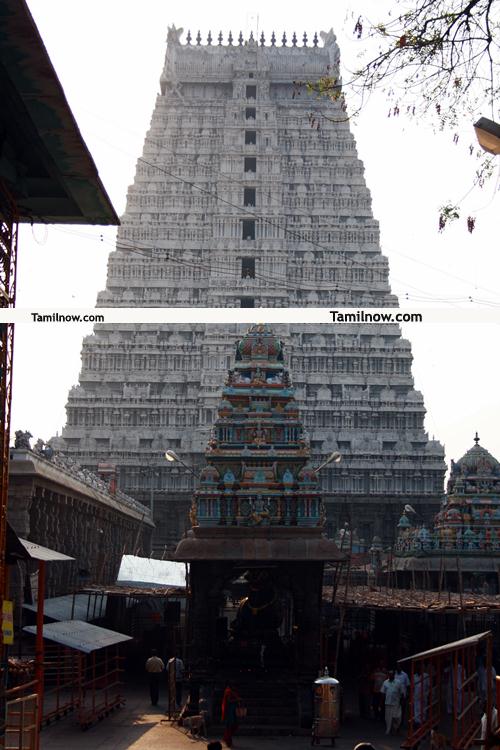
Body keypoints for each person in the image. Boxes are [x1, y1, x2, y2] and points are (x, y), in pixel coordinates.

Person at [381, 670, 404, 735]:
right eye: (389, 674)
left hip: (396, 703)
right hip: (388, 703)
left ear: (394, 675)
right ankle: (388, 730)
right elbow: (383, 693)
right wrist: (382, 703)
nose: (391, 675)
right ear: (388, 675)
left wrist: (402, 701)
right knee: (387, 718)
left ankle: (396, 728)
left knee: (397, 717)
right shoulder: (385, 682)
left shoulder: (398, 682)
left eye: (392, 674)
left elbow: (402, 693)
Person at [222, 682, 241, 748]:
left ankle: (226, 739)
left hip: (233, 710)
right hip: (229, 711)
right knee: (230, 726)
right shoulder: (228, 691)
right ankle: (228, 742)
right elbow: (229, 701)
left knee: (234, 726)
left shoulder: (232, 691)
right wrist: (237, 700)